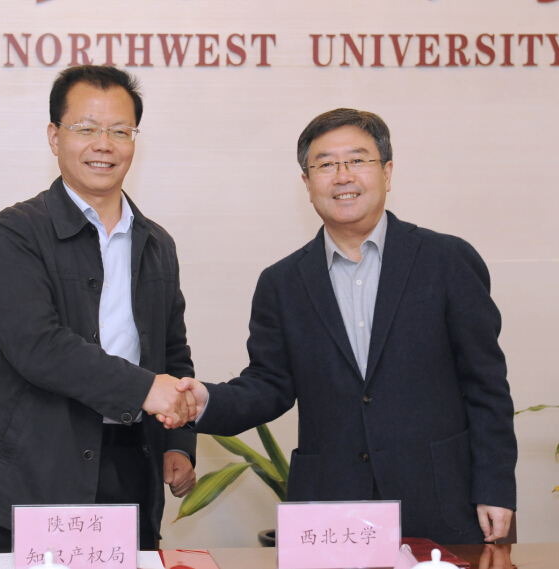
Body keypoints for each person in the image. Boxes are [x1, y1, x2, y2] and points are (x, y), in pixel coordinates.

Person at [175, 109, 517, 544]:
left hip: (442, 500)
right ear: (307, 183)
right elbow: (269, 384)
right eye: (325, 164)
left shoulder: (447, 261)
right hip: (332, 507)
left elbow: (486, 385)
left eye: (357, 160)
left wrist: (494, 486)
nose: (342, 176)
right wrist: (206, 401)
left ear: (387, 172)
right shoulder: (282, 283)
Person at [0, 65, 197, 552]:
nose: (104, 145)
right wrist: (144, 389)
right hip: (25, 480)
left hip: (129, 471)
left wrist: (177, 443)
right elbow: (37, 346)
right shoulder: (16, 232)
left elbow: (173, 352)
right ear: (54, 136)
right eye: (86, 129)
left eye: (120, 131)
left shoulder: (157, 244)